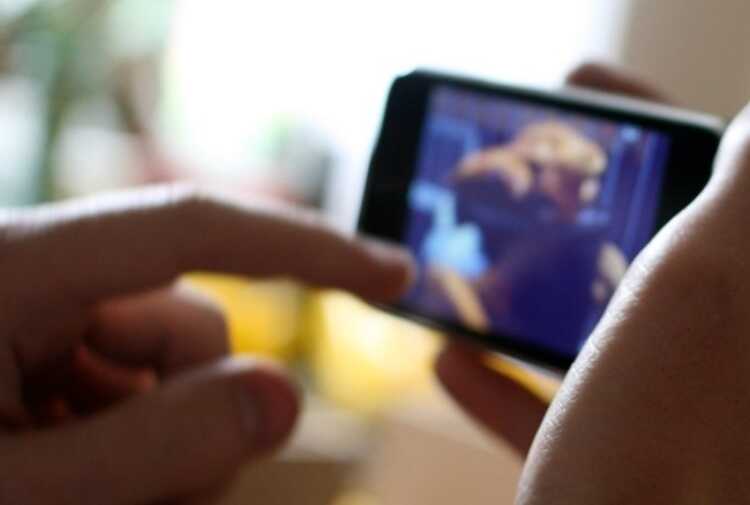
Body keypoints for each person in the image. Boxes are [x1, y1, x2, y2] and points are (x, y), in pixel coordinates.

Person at [437, 62, 750, 503]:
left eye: (590, 186)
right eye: (575, 185)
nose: (588, 199)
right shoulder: (464, 266)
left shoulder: (595, 254)